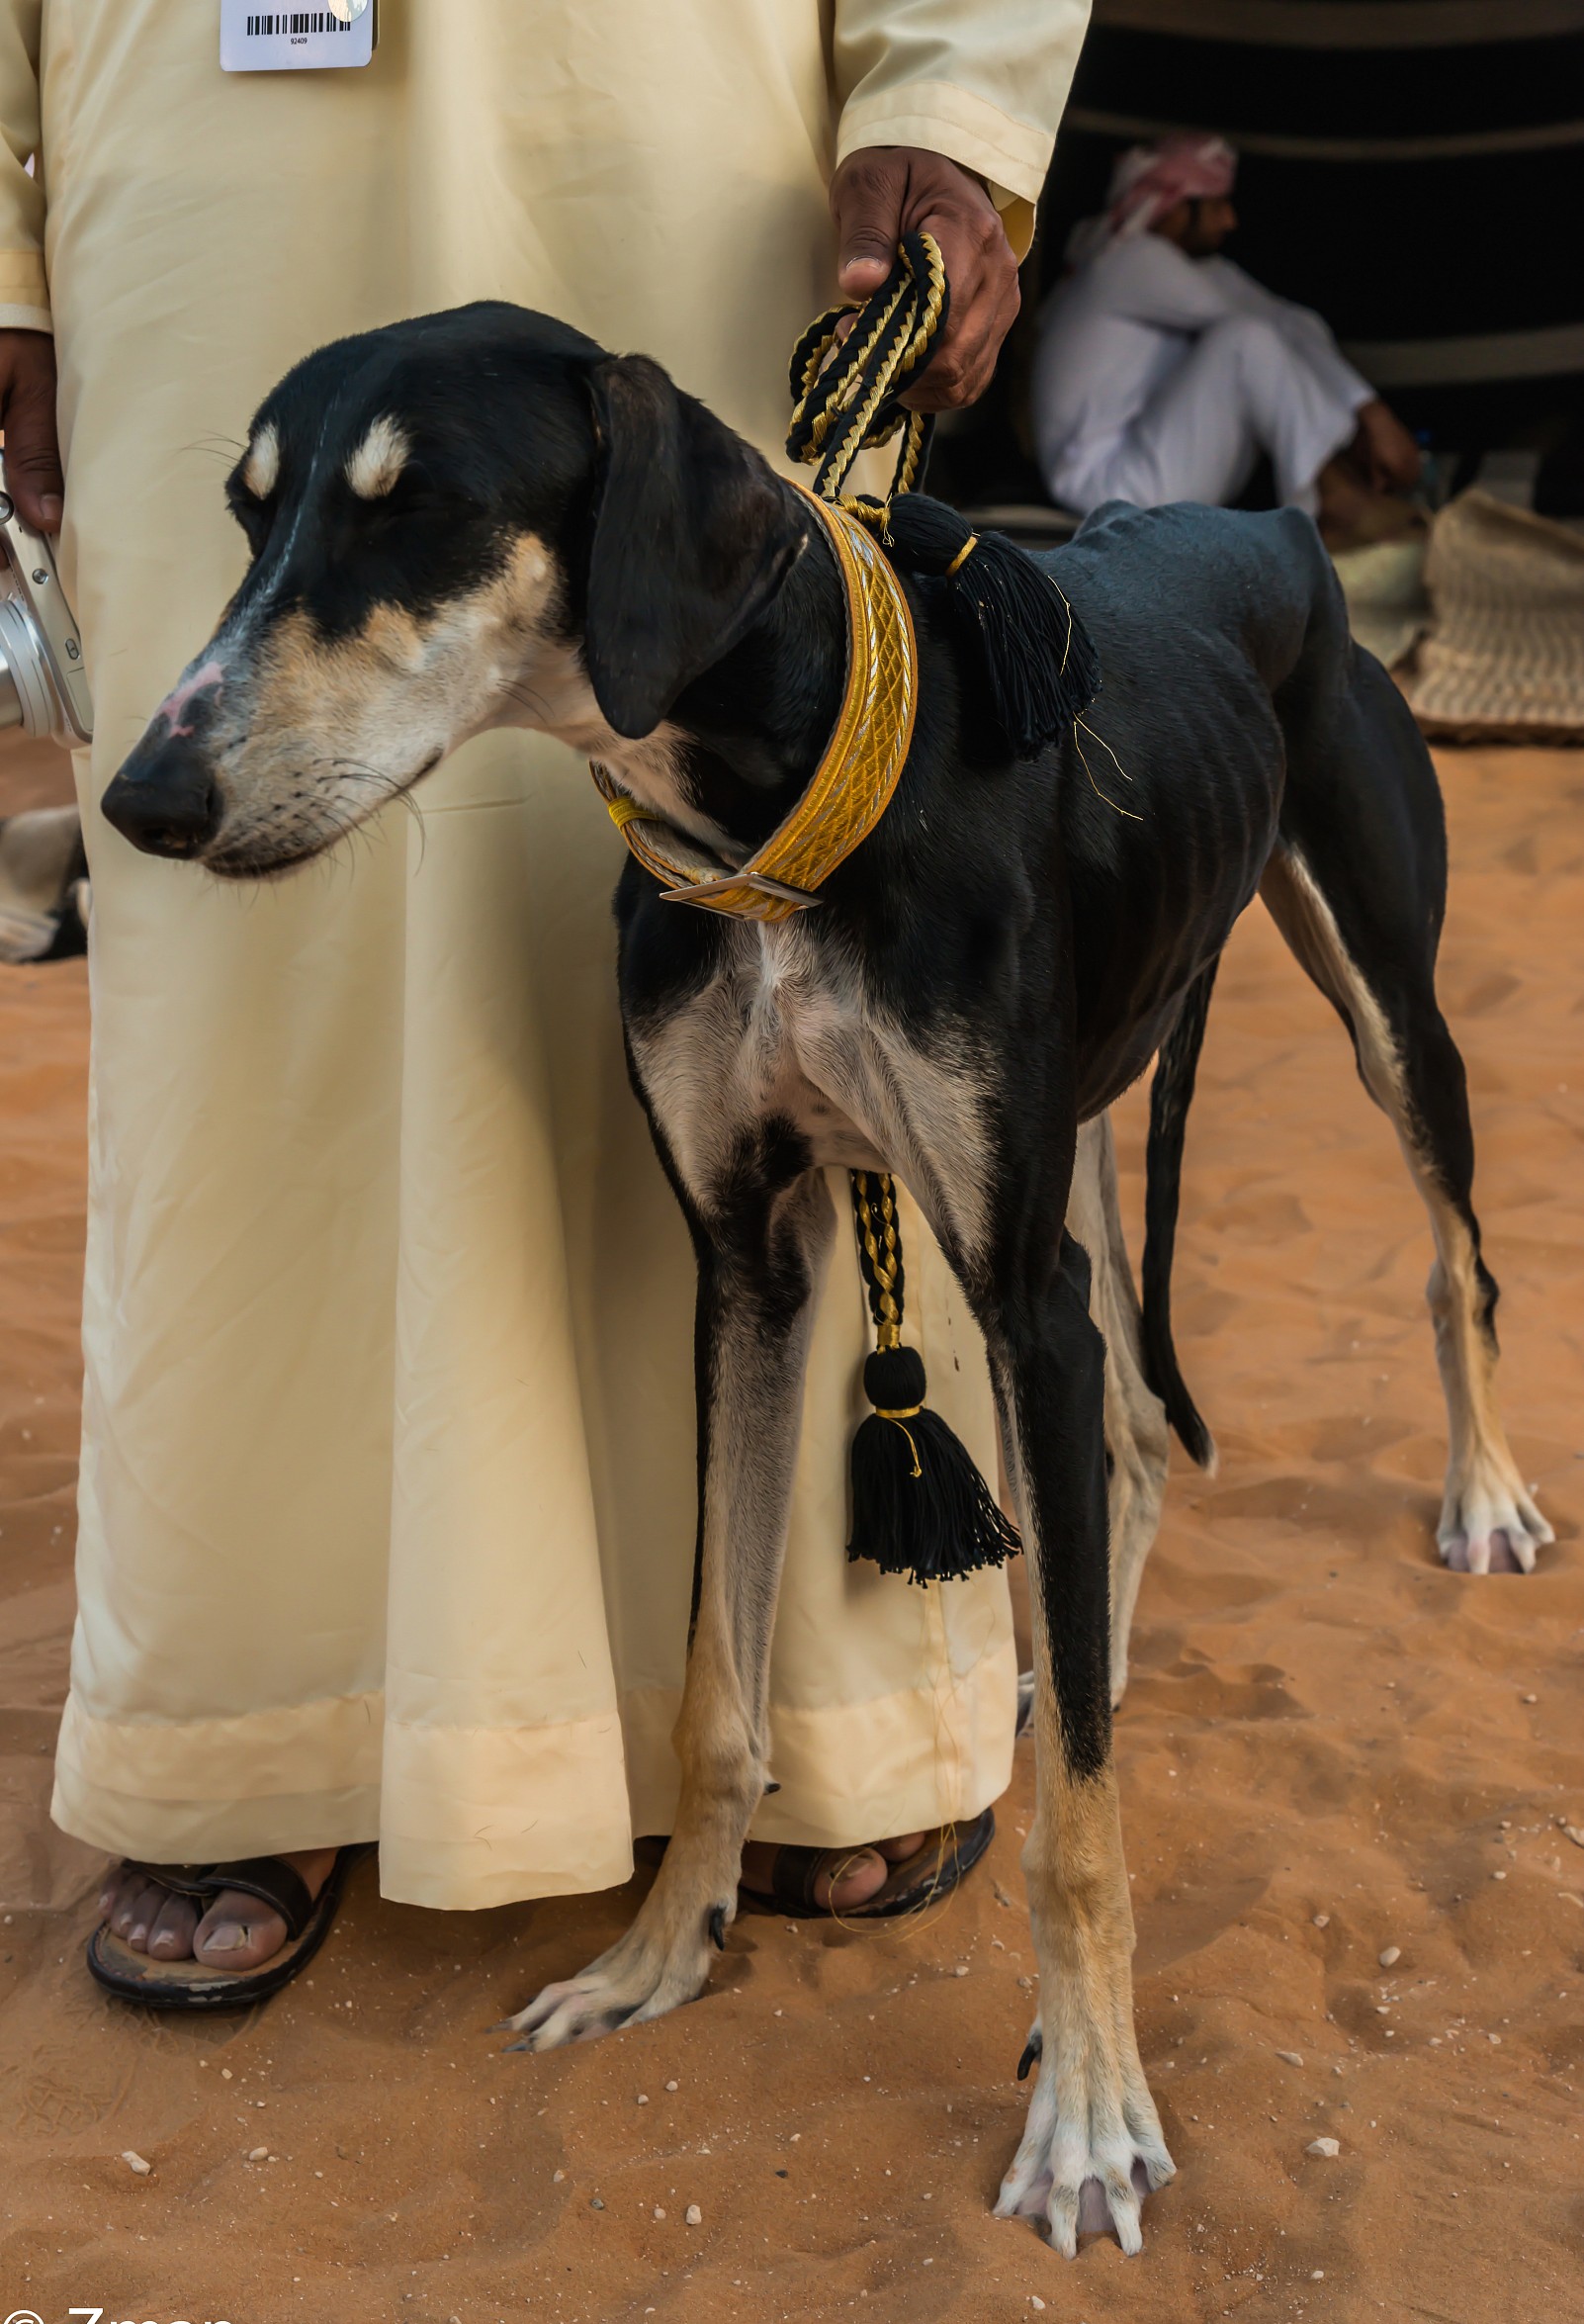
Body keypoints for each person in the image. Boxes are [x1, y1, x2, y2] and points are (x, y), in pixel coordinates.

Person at [0, 3, 1092, 2002]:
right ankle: (259, 1707)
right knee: (244, 979)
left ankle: (818, 1722)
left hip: (662, 105)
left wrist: (947, 91)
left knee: (776, 817)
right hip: (188, 127)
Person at [1031, 132, 1422, 540]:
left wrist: (1356, 420)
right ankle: (1335, 504)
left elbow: (1294, 321)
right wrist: (1371, 413)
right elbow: (1264, 329)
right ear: (1177, 209)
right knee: (1245, 342)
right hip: (1106, 486)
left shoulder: (1196, 271)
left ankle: (1339, 490)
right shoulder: (1129, 259)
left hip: (1143, 469)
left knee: (1256, 335)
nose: (1229, 221)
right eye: (1217, 204)